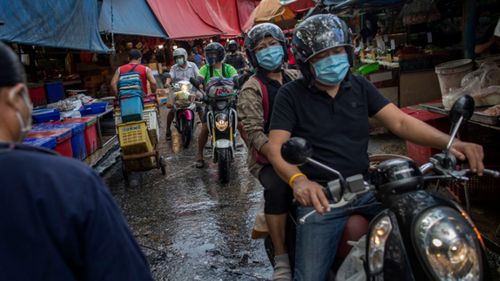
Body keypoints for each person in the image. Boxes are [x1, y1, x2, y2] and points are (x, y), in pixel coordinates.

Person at [265, 14, 485, 281]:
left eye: (338, 51)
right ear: (306, 61)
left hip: (367, 188)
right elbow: (276, 147)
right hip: (322, 198)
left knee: (418, 236)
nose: (332, 60)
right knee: (309, 276)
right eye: (322, 56)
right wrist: (299, 181)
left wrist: (453, 143)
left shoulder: (358, 85)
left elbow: (401, 122)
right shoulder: (290, 95)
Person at [0, 42, 154, 281]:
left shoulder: (120, 71)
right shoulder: (69, 182)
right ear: (15, 98)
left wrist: (118, 96)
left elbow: (113, 86)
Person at [237, 23, 300, 281]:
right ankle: (282, 257)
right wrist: (277, 156)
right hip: (266, 159)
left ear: (283, 48)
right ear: (254, 56)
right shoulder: (251, 88)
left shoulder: (297, 77)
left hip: (302, 151)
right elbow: (253, 132)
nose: (269, 51)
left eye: (273, 45)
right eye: (262, 48)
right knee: (277, 188)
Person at [195, 42, 238, 168]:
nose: (210, 56)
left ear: (220, 55)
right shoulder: (205, 68)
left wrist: (238, 82)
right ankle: (199, 155)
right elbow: (200, 79)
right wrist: (198, 86)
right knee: (204, 129)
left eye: (213, 54)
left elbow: (235, 78)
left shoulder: (228, 68)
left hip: (229, 102)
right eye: (208, 54)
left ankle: (253, 153)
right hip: (211, 103)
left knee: (241, 125)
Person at [165, 47, 200, 140]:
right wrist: (167, 82)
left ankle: (206, 128)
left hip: (191, 92)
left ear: (185, 56)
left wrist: (200, 84)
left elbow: (198, 76)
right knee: (172, 110)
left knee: (200, 107)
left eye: (180, 57)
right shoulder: (174, 68)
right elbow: (170, 76)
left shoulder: (193, 66)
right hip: (178, 92)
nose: (178, 59)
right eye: (176, 58)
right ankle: (168, 129)